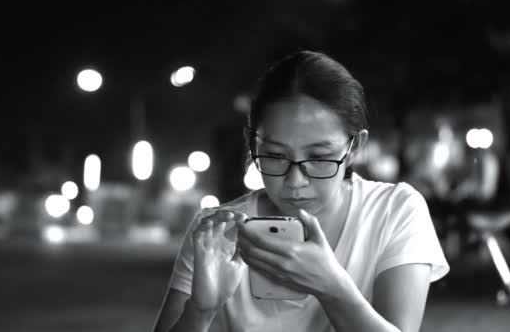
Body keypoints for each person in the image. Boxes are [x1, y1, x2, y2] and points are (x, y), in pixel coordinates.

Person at [153, 50, 449, 332]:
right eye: (275, 156)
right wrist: (200, 310)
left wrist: (332, 287)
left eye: (319, 158)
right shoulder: (216, 233)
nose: (295, 182)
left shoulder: (394, 211)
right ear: (252, 143)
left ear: (354, 147)